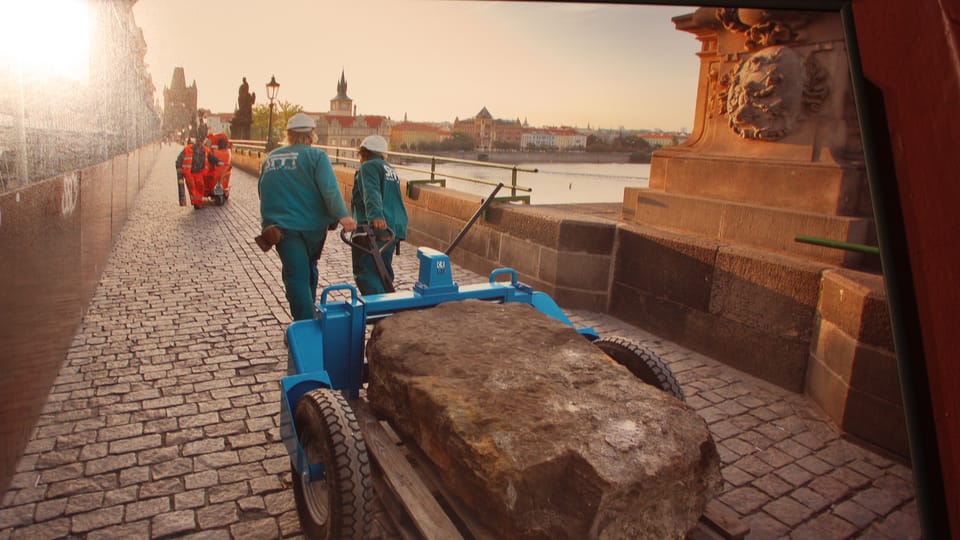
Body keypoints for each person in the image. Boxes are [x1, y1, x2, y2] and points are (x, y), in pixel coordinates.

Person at [258, 112, 357, 320]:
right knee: (307, 270)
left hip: (281, 228)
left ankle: (305, 319)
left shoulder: (271, 157)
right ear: (311, 135)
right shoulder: (317, 157)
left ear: (289, 135)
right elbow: (329, 189)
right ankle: (306, 322)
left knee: (296, 274)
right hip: (312, 228)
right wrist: (343, 216)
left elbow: (262, 190)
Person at [350, 134, 409, 295]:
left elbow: (372, 192)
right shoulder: (390, 169)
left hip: (372, 230)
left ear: (364, 153)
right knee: (384, 273)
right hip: (392, 229)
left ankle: (380, 314)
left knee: (366, 274)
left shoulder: (368, 167)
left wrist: (376, 216)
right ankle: (386, 308)